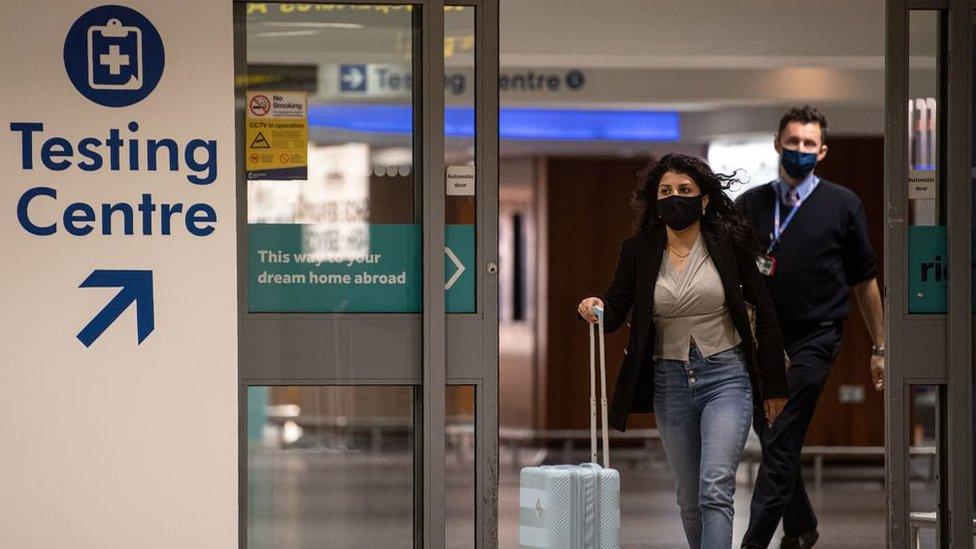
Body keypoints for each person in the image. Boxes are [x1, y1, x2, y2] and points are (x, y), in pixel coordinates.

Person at [577, 153, 788, 549]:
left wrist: (775, 383)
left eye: (685, 190)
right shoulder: (639, 250)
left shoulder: (729, 244)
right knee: (689, 498)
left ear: (703, 199)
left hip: (726, 376)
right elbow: (615, 305)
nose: (675, 197)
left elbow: (765, 309)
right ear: (655, 201)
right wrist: (594, 308)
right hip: (669, 381)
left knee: (715, 488)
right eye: (666, 191)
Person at [736, 105, 885, 549]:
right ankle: (801, 528)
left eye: (808, 144)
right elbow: (738, 281)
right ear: (778, 143)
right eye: (792, 141)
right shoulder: (751, 205)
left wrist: (880, 347)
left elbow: (865, 281)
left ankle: (754, 543)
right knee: (775, 438)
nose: (799, 150)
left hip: (816, 335)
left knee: (779, 436)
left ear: (821, 151)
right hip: (763, 338)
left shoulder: (843, 205)